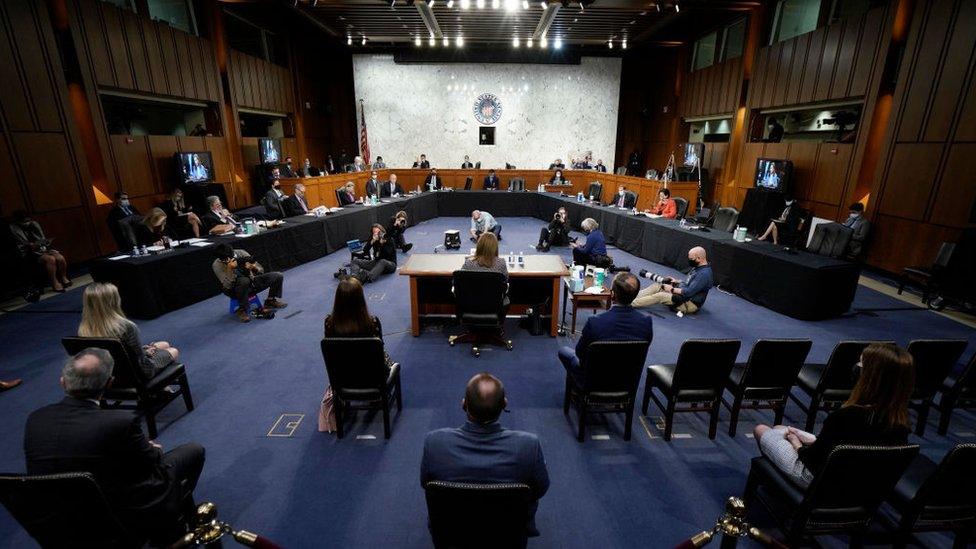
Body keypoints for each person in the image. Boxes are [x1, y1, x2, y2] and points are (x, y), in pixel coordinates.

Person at [24, 348, 205, 543]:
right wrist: (152, 448)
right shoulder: (119, 422)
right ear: (110, 383)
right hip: (117, 516)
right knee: (193, 451)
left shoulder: (35, 419)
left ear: (63, 382)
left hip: (56, 523)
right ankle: (169, 525)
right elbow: (152, 462)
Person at [753, 343, 913, 488]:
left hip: (819, 480)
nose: (857, 367)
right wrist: (813, 440)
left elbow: (813, 461)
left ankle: (776, 484)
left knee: (761, 429)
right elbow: (851, 445)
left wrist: (797, 444)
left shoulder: (845, 416)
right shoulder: (901, 422)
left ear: (870, 377)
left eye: (861, 364)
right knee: (780, 428)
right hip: (863, 484)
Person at [421, 373, 549, 536]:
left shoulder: (434, 442)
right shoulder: (529, 445)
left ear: (464, 404)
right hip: (508, 534)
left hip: (453, 533)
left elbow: (425, 483)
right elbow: (540, 489)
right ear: (504, 403)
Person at [557, 272, 653, 384]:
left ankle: (578, 391)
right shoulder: (646, 322)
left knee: (564, 351)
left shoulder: (594, 322)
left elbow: (580, 353)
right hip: (625, 379)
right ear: (635, 295)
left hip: (594, 379)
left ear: (612, 295)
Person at [78, 283, 178, 377]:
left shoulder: (84, 329)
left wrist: (145, 351)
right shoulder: (125, 326)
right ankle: (160, 389)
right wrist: (145, 354)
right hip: (137, 372)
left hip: (108, 373)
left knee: (163, 344)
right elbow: (140, 361)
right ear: (112, 302)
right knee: (173, 351)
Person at [213, 244, 287, 322]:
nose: (227, 260)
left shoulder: (241, 253)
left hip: (251, 281)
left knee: (278, 276)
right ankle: (242, 310)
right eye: (224, 260)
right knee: (244, 281)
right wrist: (229, 269)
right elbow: (227, 285)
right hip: (233, 290)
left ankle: (270, 300)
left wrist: (253, 268)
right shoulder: (217, 265)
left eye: (229, 258)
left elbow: (261, 270)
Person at [635, 246, 713, 314]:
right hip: (684, 296)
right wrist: (677, 281)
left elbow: (688, 292)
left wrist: (672, 289)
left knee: (661, 295)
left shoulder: (703, 274)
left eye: (691, 259)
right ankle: (632, 295)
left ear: (699, 258)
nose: (689, 260)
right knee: (658, 286)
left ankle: (631, 303)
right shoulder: (699, 267)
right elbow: (689, 284)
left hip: (688, 303)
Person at [10, 210, 71, 293]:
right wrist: (32, 245)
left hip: (41, 249)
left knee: (60, 257)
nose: (27, 222)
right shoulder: (14, 228)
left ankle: (64, 278)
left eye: (28, 220)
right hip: (29, 253)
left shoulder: (34, 224)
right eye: (25, 221)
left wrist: (45, 243)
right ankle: (54, 282)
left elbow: (41, 238)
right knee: (51, 259)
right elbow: (22, 244)